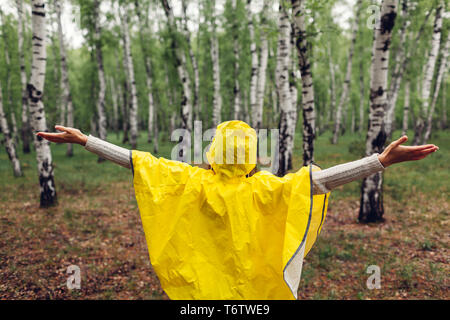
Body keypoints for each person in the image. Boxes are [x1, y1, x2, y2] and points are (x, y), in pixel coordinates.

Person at [37, 120, 438, 299]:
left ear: (213, 153)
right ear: (251, 156)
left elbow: (138, 160)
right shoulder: (269, 188)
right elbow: (323, 180)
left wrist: (86, 140)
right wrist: (380, 162)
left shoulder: (190, 180)